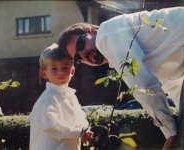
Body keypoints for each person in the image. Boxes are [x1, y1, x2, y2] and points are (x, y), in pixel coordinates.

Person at [58, 7, 184, 150]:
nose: (83, 55)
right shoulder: (123, 49)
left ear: (93, 31)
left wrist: (170, 131)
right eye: (77, 58)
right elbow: (173, 83)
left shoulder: (106, 34)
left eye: (81, 44)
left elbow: (143, 85)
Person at [29, 43, 93, 150]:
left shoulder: (71, 96)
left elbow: (80, 117)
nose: (61, 72)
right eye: (54, 68)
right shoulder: (47, 99)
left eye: (65, 67)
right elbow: (52, 127)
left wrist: (85, 129)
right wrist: (79, 132)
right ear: (44, 74)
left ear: (72, 71)